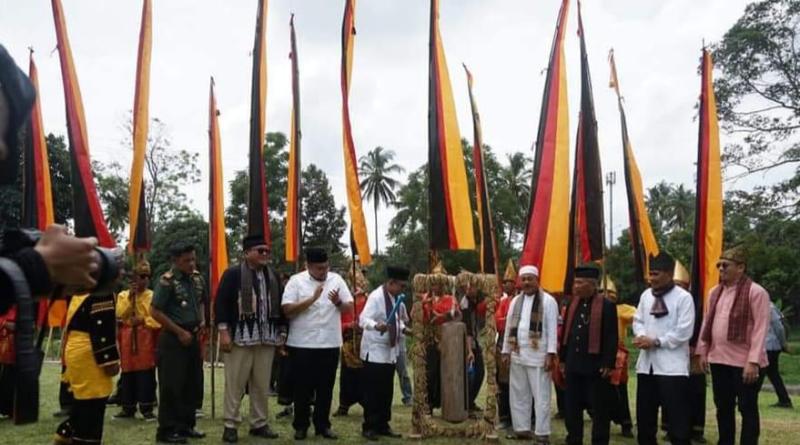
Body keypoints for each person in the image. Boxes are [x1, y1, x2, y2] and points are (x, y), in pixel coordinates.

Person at [695, 247, 770, 445]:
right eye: (719, 265)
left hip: (745, 362)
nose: (721, 269)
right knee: (723, 406)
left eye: (725, 265)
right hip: (718, 358)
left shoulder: (756, 292)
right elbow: (706, 323)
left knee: (747, 407)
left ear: (741, 267)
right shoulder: (715, 292)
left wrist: (753, 361)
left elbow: (761, 329)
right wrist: (703, 352)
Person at [215, 234, 286, 443]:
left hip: (267, 338)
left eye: (267, 251)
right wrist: (224, 331)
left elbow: (280, 306)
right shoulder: (233, 274)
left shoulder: (272, 275)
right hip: (240, 337)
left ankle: (259, 423)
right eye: (260, 251)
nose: (265, 254)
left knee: (262, 384)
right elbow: (220, 303)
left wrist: (282, 331)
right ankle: (230, 424)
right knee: (235, 383)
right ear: (247, 253)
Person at [282, 247, 353, 440]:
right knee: (302, 388)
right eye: (319, 268)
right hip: (302, 343)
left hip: (329, 343)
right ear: (308, 266)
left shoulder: (336, 280)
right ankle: (301, 426)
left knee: (326, 388)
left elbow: (349, 307)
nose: (324, 272)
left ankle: (323, 425)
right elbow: (287, 310)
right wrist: (312, 299)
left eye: (326, 267)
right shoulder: (296, 281)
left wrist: (338, 302)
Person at [633, 252, 695, 445]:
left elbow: (684, 331)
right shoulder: (646, 295)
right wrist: (641, 335)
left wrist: (657, 341)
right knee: (645, 418)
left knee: (677, 419)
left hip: (672, 368)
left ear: (669, 274)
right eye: (650, 274)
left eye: (656, 273)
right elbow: (638, 320)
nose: (652, 278)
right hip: (647, 366)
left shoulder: (683, 298)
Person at [150, 242, 207, 444]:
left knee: (191, 383)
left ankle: (186, 425)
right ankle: (166, 430)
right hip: (173, 339)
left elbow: (201, 302)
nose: (192, 263)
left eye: (193, 258)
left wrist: (202, 321)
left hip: (193, 336)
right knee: (171, 385)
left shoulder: (197, 279)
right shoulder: (167, 282)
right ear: (175, 261)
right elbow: (155, 311)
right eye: (186, 260)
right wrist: (179, 331)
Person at [560, 264, 618, 445]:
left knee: (600, 410)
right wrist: (562, 359)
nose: (575, 286)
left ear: (592, 284)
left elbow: (611, 336)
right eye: (575, 283)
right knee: (571, 408)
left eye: (580, 283)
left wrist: (608, 363)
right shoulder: (572, 303)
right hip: (573, 365)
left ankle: (599, 441)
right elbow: (566, 335)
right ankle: (573, 439)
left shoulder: (606, 305)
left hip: (595, 366)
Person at [53, 292, 120, 445]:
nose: (122, 273)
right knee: (92, 408)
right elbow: (102, 331)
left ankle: (64, 434)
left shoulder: (81, 290)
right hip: (90, 357)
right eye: (119, 268)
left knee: (82, 404)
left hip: (76, 353)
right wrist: (110, 362)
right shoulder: (102, 293)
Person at [501, 265, 558, 444]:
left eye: (529, 279)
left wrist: (551, 354)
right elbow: (509, 327)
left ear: (537, 280)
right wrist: (505, 351)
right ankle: (522, 428)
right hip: (518, 354)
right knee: (518, 393)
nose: (526, 282)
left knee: (541, 395)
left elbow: (552, 330)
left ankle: (542, 432)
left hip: (539, 356)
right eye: (523, 279)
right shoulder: (515, 301)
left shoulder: (548, 301)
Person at [359, 266, 411, 441]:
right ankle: (370, 426)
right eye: (401, 286)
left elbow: (395, 322)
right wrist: (376, 326)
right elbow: (363, 319)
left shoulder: (394, 299)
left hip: (390, 352)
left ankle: (383, 424)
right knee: (373, 391)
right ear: (391, 283)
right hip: (375, 351)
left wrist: (404, 329)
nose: (403, 290)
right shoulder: (375, 297)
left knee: (386, 391)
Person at [113, 260, 160, 421]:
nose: (145, 279)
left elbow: (157, 320)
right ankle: (128, 408)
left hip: (145, 337)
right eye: (141, 276)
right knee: (127, 372)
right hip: (127, 336)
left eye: (147, 276)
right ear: (133, 278)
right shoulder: (123, 295)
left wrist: (143, 320)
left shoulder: (152, 296)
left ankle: (147, 408)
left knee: (145, 372)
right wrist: (131, 297)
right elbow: (120, 313)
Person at [421, 262, 461, 413]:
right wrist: (422, 305)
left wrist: (441, 316)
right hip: (429, 339)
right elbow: (418, 316)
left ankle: (447, 403)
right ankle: (428, 404)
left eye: (438, 284)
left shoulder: (451, 299)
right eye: (433, 284)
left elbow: (457, 315)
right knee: (430, 372)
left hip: (446, 340)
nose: (435, 287)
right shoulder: (425, 297)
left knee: (447, 372)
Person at [600, 277, 635, 438]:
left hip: (617, 354)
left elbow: (638, 316)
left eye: (610, 293)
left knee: (619, 388)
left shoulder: (621, 309)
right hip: (599, 353)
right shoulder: (595, 309)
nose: (606, 295)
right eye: (602, 292)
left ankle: (625, 423)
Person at [334, 264, 369, 417]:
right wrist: (349, 325)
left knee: (365, 375)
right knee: (347, 376)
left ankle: (367, 403)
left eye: (360, 284)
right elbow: (337, 323)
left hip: (365, 343)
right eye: (355, 284)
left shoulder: (370, 300)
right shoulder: (346, 302)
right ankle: (344, 406)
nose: (358, 287)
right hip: (349, 343)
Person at [757, 301, 793, 408]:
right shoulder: (767, 306)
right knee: (773, 374)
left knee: (759, 373)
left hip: (769, 346)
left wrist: (783, 343)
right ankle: (784, 399)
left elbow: (779, 327)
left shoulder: (768, 307)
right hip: (769, 346)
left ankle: (748, 398)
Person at [460, 272, 487, 413]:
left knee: (481, 373)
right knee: (470, 375)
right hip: (467, 343)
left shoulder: (481, 298)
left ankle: (470, 402)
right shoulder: (464, 304)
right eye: (467, 287)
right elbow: (468, 330)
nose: (468, 289)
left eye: (471, 287)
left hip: (477, 341)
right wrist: (469, 350)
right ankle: (466, 404)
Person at [495, 260, 516, 430]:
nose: (505, 285)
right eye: (504, 282)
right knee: (502, 384)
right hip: (502, 345)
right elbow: (498, 323)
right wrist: (509, 320)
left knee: (519, 384)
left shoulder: (521, 300)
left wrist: (507, 321)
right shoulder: (502, 302)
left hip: (518, 347)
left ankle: (521, 418)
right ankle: (504, 416)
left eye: (508, 282)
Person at [395, 299, 413, 406]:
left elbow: (404, 320)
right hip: (388, 342)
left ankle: (408, 396)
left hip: (400, 341)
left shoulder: (400, 304)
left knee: (403, 371)